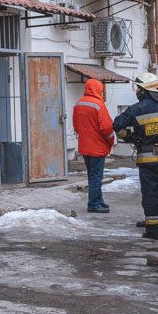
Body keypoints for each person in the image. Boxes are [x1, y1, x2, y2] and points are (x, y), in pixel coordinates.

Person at [114, 73, 158, 240]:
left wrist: (131, 137)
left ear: (145, 90)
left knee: (151, 196)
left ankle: (153, 232)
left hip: (148, 161)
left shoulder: (136, 109)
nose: (137, 92)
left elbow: (117, 125)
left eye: (139, 88)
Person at [72, 78, 115, 214]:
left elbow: (76, 126)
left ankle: (98, 200)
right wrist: (111, 141)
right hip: (97, 147)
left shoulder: (79, 103)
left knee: (92, 175)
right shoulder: (98, 105)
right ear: (99, 90)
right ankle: (94, 204)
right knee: (96, 176)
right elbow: (107, 128)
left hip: (85, 146)